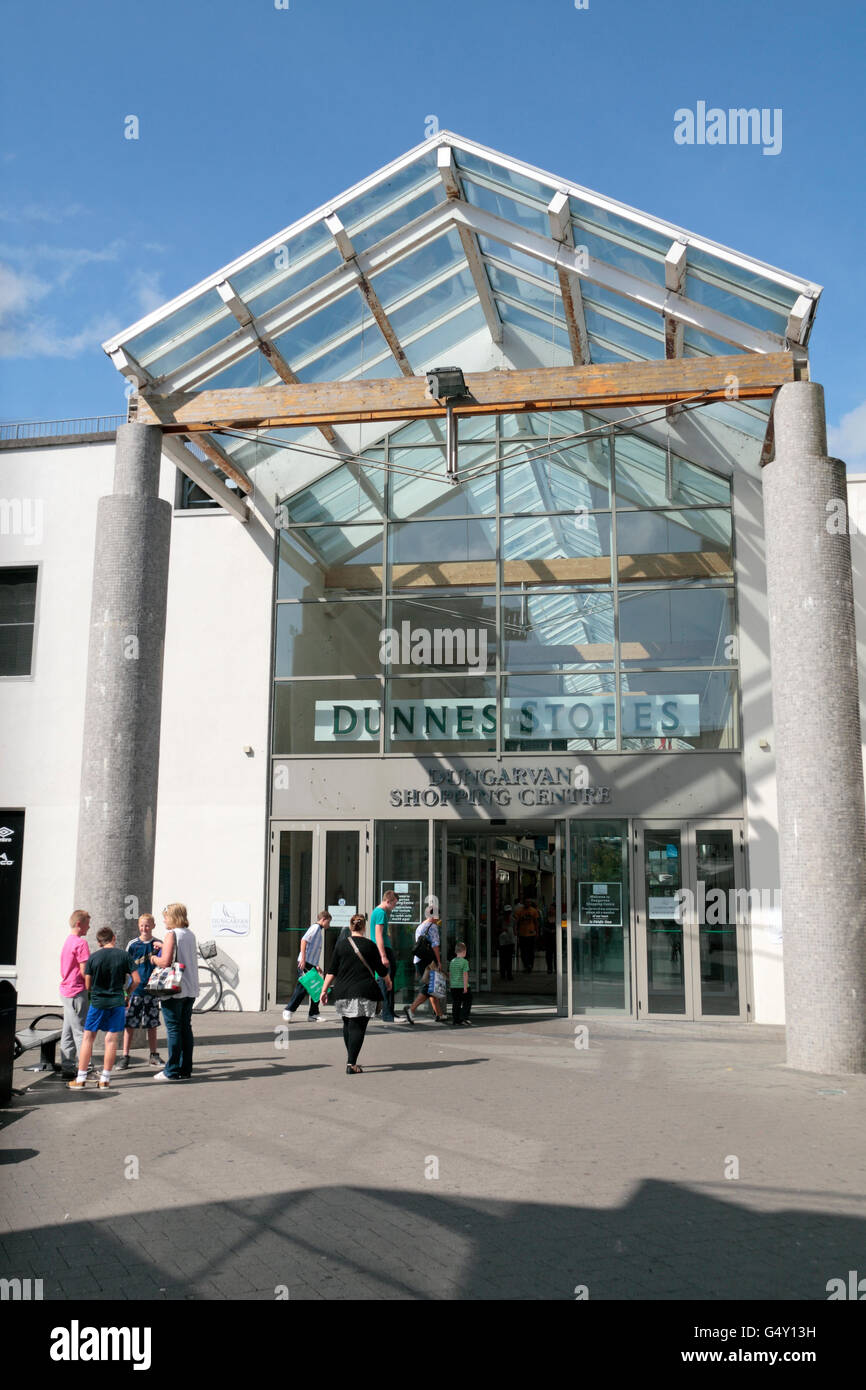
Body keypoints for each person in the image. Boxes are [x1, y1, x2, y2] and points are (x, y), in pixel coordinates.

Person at [67, 928, 140, 1090]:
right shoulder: (124, 956)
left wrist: (95, 991)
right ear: (114, 938)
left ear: (99, 942)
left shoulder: (93, 957)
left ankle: (80, 1079)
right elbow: (136, 980)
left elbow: (87, 985)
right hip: (117, 1002)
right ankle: (105, 1079)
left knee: (88, 1038)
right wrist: (126, 993)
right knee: (111, 1040)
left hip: (98, 1002)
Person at [319, 913, 391, 1073]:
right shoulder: (370, 946)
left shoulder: (341, 945)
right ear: (364, 927)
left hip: (342, 991)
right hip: (363, 991)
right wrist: (388, 980)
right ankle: (351, 1064)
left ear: (351, 927)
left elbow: (332, 971)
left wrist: (324, 990)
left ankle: (351, 1058)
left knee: (348, 1024)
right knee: (358, 1027)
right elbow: (380, 969)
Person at [150, 903, 200, 1082]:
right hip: (190, 987)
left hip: (174, 989)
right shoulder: (190, 934)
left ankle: (171, 1070)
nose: (163, 919)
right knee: (186, 1028)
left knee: (173, 1029)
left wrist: (153, 957)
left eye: (165, 916)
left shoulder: (171, 934)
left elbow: (165, 961)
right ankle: (185, 1068)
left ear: (173, 917)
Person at [117, 914, 164, 1070]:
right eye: (142, 925)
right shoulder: (132, 945)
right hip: (135, 991)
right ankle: (125, 1056)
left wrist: (162, 948)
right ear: (138, 926)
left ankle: (153, 1055)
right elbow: (125, 967)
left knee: (152, 1025)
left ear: (153, 925)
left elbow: (165, 963)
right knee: (129, 1025)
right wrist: (125, 991)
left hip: (151, 991)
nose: (145, 928)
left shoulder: (159, 944)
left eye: (148, 925)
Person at [282, 910, 331, 1023]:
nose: (329, 925)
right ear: (323, 919)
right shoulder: (314, 928)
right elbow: (304, 940)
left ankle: (313, 1014)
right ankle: (288, 1010)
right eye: (328, 922)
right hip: (305, 963)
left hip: (310, 963)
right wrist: (303, 958)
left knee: (318, 987)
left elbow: (312, 950)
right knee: (302, 988)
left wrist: (316, 965)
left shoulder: (318, 930)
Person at [59, 909, 91, 1078]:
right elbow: (85, 970)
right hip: (77, 990)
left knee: (68, 1030)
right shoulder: (81, 943)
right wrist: (90, 989)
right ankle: (86, 1067)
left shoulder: (68, 941)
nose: (89, 927)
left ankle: (67, 1065)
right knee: (81, 1031)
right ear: (79, 924)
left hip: (66, 990)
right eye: (87, 923)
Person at [403, 905, 445, 1024]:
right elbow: (435, 946)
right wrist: (439, 961)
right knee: (429, 987)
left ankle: (439, 1014)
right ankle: (411, 1009)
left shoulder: (421, 926)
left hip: (419, 960)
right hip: (428, 961)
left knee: (432, 986)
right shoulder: (433, 927)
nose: (438, 918)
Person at [370, 889, 399, 1021]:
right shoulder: (381, 913)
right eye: (394, 904)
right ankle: (387, 1014)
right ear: (388, 901)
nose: (394, 907)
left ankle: (390, 1013)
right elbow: (378, 935)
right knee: (386, 981)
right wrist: (383, 956)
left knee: (388, 981)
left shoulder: (378, 912)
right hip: (383, 950)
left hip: (383, 949)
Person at [449, 941, 472, 1027]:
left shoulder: (452, 961)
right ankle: (464, 1017)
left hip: (454, 987)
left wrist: (451, 984)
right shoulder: (464, 962)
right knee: (468, 1001)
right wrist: (465, 987)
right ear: (464, 951)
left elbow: (450, 974)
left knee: (456, 1003)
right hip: (462, 986)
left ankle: (456, 1020)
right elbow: (465, 975)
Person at [515, 896, 540, 974]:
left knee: (530, 951)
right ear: (523, 903)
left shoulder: (534, 911)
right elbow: (516, 922)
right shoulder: (519, 911)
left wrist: (537, 932)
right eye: (526, 902)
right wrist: (516, 930)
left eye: (529, 902)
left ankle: (530, 965)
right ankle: (525, 965)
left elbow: (536, 922)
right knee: (523, 951)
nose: (527, 904)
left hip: (531, 933)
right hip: (522, 933)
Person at [497, 905, 515, 982]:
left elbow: (514, 929)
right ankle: (503, 973)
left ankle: (509, 974)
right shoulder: (500, 919)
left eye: (509, 912)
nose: (508, 914)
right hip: (502, 941)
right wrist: (502, 930)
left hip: (510, 941)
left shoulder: (513, 920)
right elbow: (496, 929)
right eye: (507, 912)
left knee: (509, 958)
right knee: (503, 958)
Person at [543, 903, 557, 974]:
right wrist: (549, 930)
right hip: (548, 938)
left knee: (556, 954)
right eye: (550, 909)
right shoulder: (546, 918)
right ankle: (549, 968)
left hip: (556, 939)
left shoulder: (558, 918)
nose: (550, 910)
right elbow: (543, 927)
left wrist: (556, 930)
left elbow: (564, 926)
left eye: (552, 909)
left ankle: (556, 968)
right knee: (548, 954)